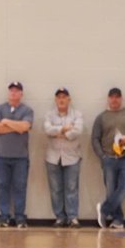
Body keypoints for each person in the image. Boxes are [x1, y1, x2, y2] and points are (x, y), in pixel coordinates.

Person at [92, 87, 125, 229]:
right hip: (108, 158)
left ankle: (104, 210)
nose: (114, 100)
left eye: (117, 97)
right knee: (111, 190)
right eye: (112, 97)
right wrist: (102, 156)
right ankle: (118, 220)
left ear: (121, 99)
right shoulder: (101, 117)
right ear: (108, 99)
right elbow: (95, 138)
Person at [0, 81, 34, 228]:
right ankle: (4, 217)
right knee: (2, 186)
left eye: (16, 91)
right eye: (11, 90)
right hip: (1, 156)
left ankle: (20, 217)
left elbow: (25, 127)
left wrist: (6, 122)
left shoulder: (27, 110)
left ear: (21, 94)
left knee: (20, 187)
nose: (13, 93)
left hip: (20, 157)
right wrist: (16, 126)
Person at [42, 87, 83, 228]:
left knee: (71, 188)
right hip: (52, 157)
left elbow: (77, 131)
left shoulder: (77, 114)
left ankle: (72, 218)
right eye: (59, 97)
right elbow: (48, 130)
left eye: (64, 97)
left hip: (72, 157)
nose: (61, 99)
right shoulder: (49, 115)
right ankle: (60, 217)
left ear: (69, 99)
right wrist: (64, 129)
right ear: (55, 100)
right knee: (56, 189)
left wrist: (58, 132)